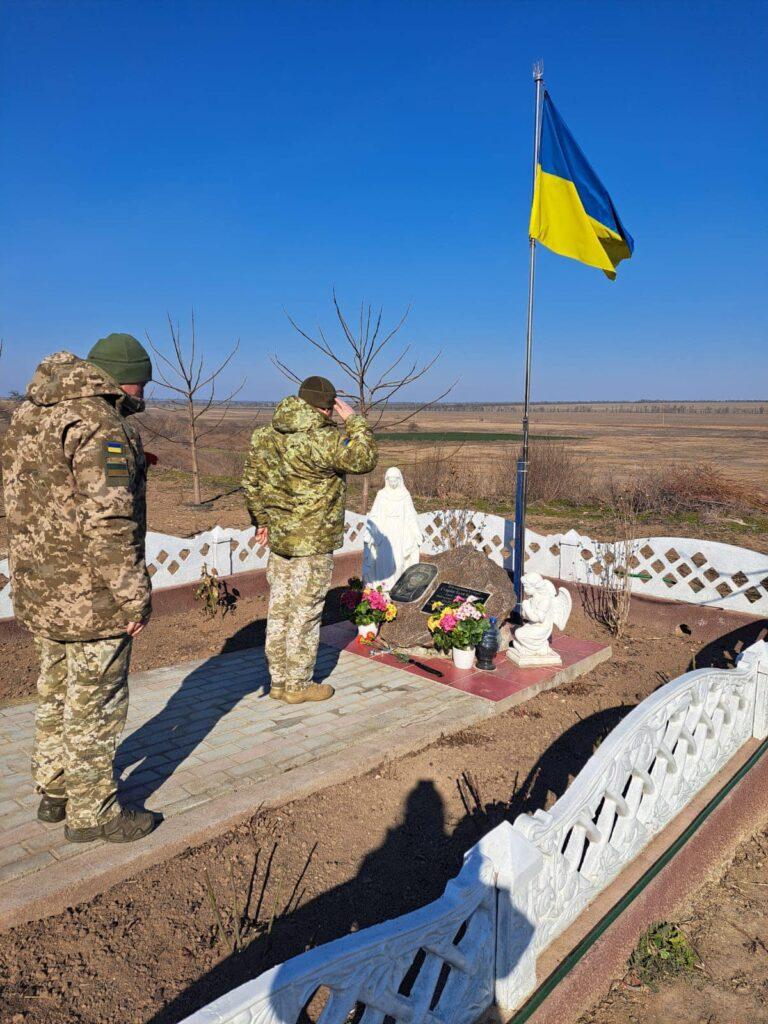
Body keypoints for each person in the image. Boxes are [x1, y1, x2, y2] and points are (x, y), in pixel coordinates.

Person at [1, 334, 157, 843]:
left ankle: (55, 789)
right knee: (96, 702)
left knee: (55, 689)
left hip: (42, 589)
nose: (143, 396)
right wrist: (133, 595)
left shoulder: (32, 414)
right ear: (124, 378)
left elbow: (36, 493)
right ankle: (95, 814)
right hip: (91, 596)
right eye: (142, 385)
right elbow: (109, 522)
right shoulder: (101, 426)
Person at [242, 376, 378, 703]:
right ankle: (298, 685)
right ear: (328, 407)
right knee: (305, 612)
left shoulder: (265, 436)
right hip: (313, 544)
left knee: (280, 610)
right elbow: (364, 458)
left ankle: (277, 681)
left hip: (279, 541)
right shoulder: (324, 438)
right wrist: (355, 422)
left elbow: (250, 483)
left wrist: (262, 520)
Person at [362, 466, 423, 589]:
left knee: (398, 561)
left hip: (400, 532)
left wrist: (416, 533)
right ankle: (383, 590)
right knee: (384, 560)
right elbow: (375, 515)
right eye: (391, 480)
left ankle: (396, 589)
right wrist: (369, 533)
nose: (393, 483)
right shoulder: (381, 495)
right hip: (385, 532)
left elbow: (411, 516)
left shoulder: (405, 495)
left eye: (395, 480)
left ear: (400, 480)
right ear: (386, 480)